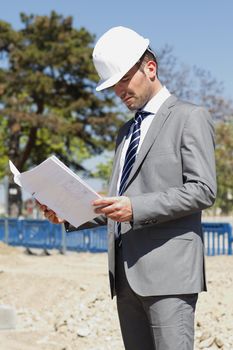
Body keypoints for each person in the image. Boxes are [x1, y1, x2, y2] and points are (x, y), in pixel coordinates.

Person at [39, 26, 216, 350]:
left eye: (123, 80)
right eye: (113, 85)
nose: (118, 91)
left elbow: (203, 189)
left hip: (170, 275)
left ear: (150, 68)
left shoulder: (190, 117)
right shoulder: (124, 132)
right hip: (124, 275)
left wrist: (136, 208)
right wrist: (68, 214)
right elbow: (115, 204)